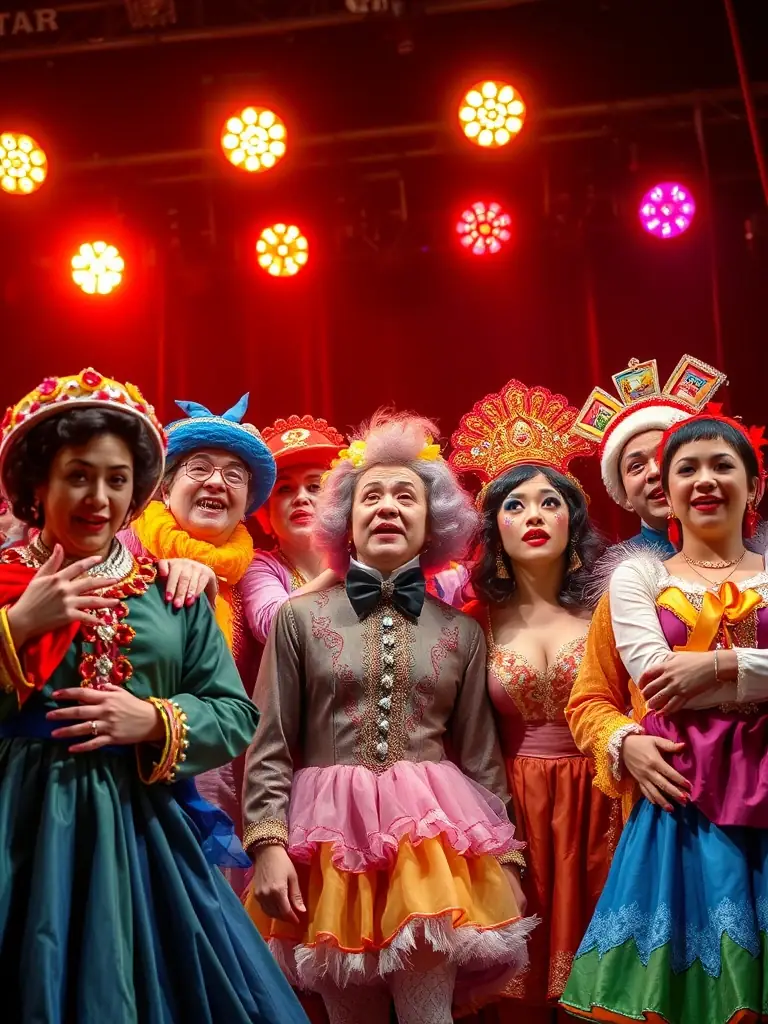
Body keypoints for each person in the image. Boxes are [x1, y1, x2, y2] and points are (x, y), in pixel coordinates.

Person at [0, 367, 309, 1024]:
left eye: (117, 480)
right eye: (78, 476)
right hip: (20, 823)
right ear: (37, 485)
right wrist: (19, 623)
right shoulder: (6, 585)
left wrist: (153, 719)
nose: (99, 497)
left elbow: (234, 714)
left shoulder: (171, 592)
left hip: (145, 830)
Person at [242, 412, 537, 1024]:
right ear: (344, 519)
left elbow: (481, 757)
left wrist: (506, 861)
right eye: (370, 496)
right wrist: (267, 845)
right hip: (324, 850)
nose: (387, 508)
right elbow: (269, 742)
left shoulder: (460, 630)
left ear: (434, 523)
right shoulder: (298, 619)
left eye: (407, 496)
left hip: (433, 851)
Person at [562, 409, 768, 1024]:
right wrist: (625, 742)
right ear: (665, 492)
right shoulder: (637, 581)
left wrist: (716, 668)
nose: (705, 480)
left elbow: (680, 683)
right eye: (687, 469)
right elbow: (602, 697)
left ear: (754, 486)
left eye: (723, 465)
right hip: (684, 796)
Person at [449, 379, 620, 1024]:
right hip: (512, 808)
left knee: (604, 990)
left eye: (551, 502)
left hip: (604, 800)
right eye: (515, 505)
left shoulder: (610, 610)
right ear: (494, 525)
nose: (535, 516)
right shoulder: (472, 620)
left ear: (572, 520)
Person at [123, 392, 276, 894]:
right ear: (164, 489)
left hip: (229, 795)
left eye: (234, 475)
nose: (216, 481)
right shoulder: (122, 552)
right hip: (127, 786)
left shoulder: (255, 574)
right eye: (199, 468)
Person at [566, 354, 728, 822]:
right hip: (676, 793)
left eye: (663, 458)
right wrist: (626, 741)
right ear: (623, 489)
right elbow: (590, 698)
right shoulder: (627, 579)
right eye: (635, 466)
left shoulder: (757, 565)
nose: (653, 473)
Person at [242, 415, 346, 647]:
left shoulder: (369, 559)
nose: (301, 498)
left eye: (314, 487)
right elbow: (271, 625)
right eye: (285, 489)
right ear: (265, 511)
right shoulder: (259, 565)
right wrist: (340, 571)